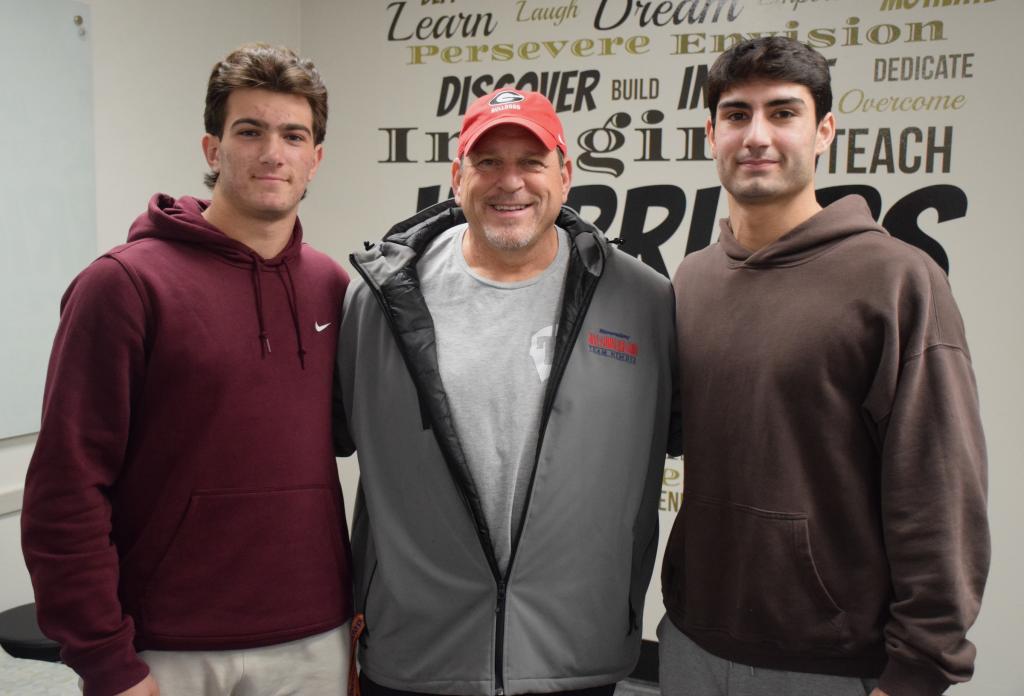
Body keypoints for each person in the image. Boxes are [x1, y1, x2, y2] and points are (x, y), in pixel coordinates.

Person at [660, 36, 989, 696]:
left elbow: (937, 488)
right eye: (736, 114)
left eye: (783, 113)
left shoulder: (896, 280)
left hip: (829, 664)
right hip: (689, 641)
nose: (757, 135)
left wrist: (919, 671)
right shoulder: (691, 279)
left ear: (824, 132)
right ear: (711, 134)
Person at [21, 44, 352, 696]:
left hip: (315, 636)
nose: (272, 153)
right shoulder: (123, 286)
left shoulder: (332, 287)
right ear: (212, 149)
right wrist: (106, 661)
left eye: (293, 136)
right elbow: (66, 489)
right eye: (249, 131)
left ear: (315, 158)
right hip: (167, 645)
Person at [335, 88, 678, 696]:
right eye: (488, 161)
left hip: (573, 651)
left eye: (531, 161)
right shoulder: (378, 299)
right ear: (457, 176)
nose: (510, 181)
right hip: (418, 650)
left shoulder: (643, 300)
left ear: (566, 175)